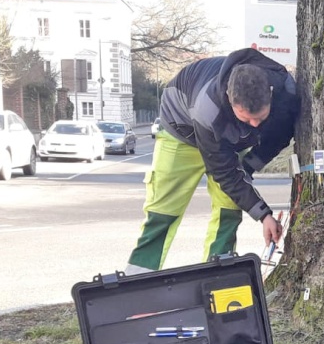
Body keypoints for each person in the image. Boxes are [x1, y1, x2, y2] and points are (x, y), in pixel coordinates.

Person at [125, 47, 300, 275]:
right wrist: (264, 214)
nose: (255, 125)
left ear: (270, 93)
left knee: (229, 208)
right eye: (247, 118)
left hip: (228, 139)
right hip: (181, 131)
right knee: (163, 211)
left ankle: (217, 278)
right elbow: (225, 174)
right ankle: (137, 277)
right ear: (229, 98)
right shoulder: (208, 108)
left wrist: (248, 168)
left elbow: (279, 136)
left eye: (260, 117)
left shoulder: (285, 91)